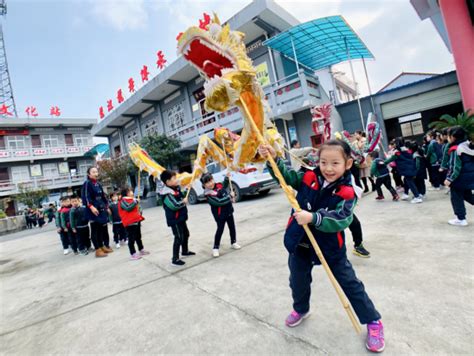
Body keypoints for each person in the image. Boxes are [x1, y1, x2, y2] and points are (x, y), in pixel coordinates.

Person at [258, 140, 384, 353]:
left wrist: (314, 218)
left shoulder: (347, 191)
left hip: (330, 247)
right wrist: (273, 159)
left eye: (335, 163)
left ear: (348, 163)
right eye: (323, 162)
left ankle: (373, 322)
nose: (328, 168)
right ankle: (301, 309)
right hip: (300, 242)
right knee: (297, 280)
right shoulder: (309, 177)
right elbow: (286, 177)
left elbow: (342, 218)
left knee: (350, 283)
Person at [160, 170, 196, 266]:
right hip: (174, 220)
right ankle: (175, 259)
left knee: (186, 234)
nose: (176, 180)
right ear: (167, 182)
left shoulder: (176, 189)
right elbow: (174, 205)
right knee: (178, 237)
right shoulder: (166, 194)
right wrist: (183, 202)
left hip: (180, 217)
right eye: (174, 178)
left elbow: (181, 196)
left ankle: (184, 251)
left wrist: (186, 190)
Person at [201, 172, 241, 257]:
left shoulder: (218, 185)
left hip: (229, 211)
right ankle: (215, 248)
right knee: (220, 230)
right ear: (204, 185)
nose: (210, 183)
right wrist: (230, 196)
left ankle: (233, 242)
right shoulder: (208, 194)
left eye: (211, 180)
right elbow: (219, 202)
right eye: (207, 182)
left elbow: (225, 185)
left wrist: (227, 178)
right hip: (220, 215)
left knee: (232, 227)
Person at [444, 126, 474, 226]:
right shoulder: (468, 145)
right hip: (469, 177)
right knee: (467, 195)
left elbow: (455, 166)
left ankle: (461, 219)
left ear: (453, 137)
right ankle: (461, 218)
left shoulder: (455, 149)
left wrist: (449, 178)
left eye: (448, 136)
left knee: (456, 198)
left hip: (459, 179)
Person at [81, 167, 111, 258]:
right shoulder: (87, 183)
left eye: (96, 171)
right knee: (95, 231)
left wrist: (106, 206)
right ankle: (97, 250)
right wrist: (91, 206)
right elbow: (85, 197)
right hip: (92, 210)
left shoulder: (98, 184)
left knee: (101, 230)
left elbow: (103, 196)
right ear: (88, 174)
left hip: (100, 209)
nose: (95, 173)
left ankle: (102, 247)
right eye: (93, 172)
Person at [384, 138, 423, 204]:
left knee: (411, 183)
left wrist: (383, 163)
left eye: (394, 143)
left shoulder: (398, 152)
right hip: (412, 168)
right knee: (408, 182)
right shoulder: (408, 150)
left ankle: (417, 197)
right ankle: (409, 194)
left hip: (406, 170)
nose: (394, 144)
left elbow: (390, 159)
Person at [118, 186, 148, 260]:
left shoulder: (133, 199)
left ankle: (141, 249)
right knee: (131, 239)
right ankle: (133, 253)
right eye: (130, 191)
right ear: (127, 193)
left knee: (138, 236)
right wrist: (135, 202)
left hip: (136, 220)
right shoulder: (122, 201)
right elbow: (128, 208)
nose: (132, 192)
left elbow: (137, 210)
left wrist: (139, 207)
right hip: (129, 222)